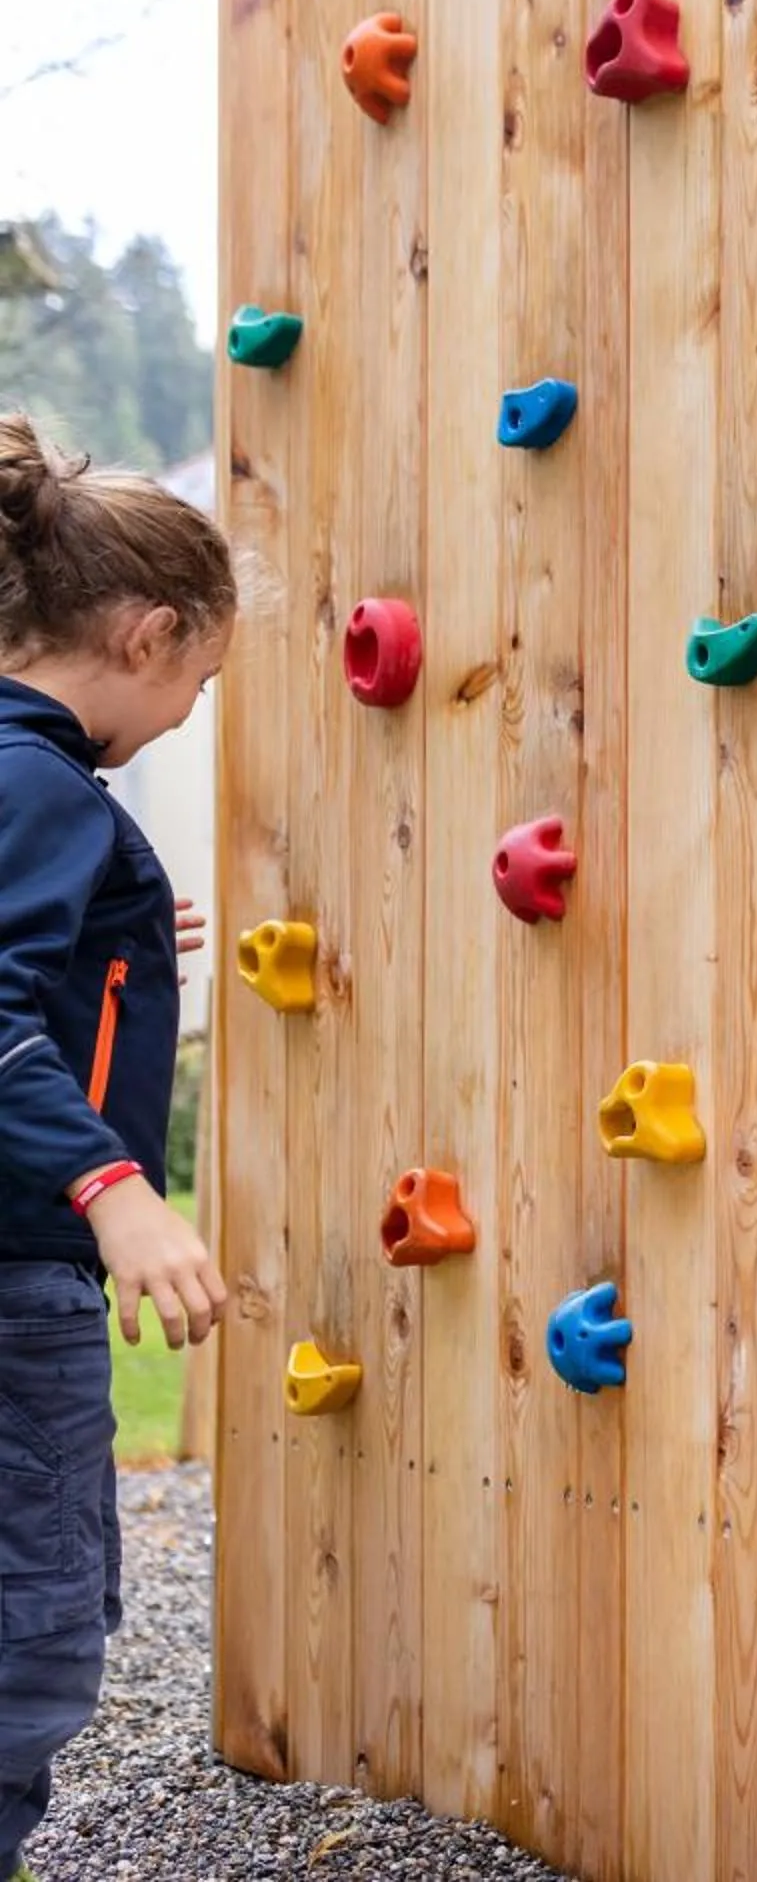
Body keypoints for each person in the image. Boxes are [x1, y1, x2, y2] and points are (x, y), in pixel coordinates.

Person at [0, 414, 234, 1882]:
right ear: (147, 635)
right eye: (201, 678)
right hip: (20, 1276)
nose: (192, 711)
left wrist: (125, 938)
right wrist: (115, 1188)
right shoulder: (36, 783)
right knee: (30, 1628)